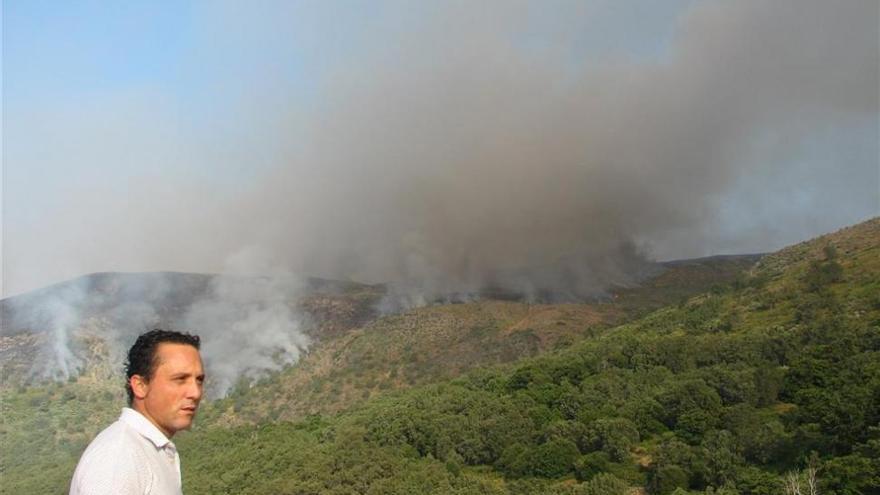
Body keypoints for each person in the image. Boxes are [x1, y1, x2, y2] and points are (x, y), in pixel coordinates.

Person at [70, 329, 205, 495]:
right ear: (140, 386)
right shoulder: (118, 456)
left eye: (199, 380)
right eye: (180, 379)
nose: (195, 392)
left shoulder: (146, 449)